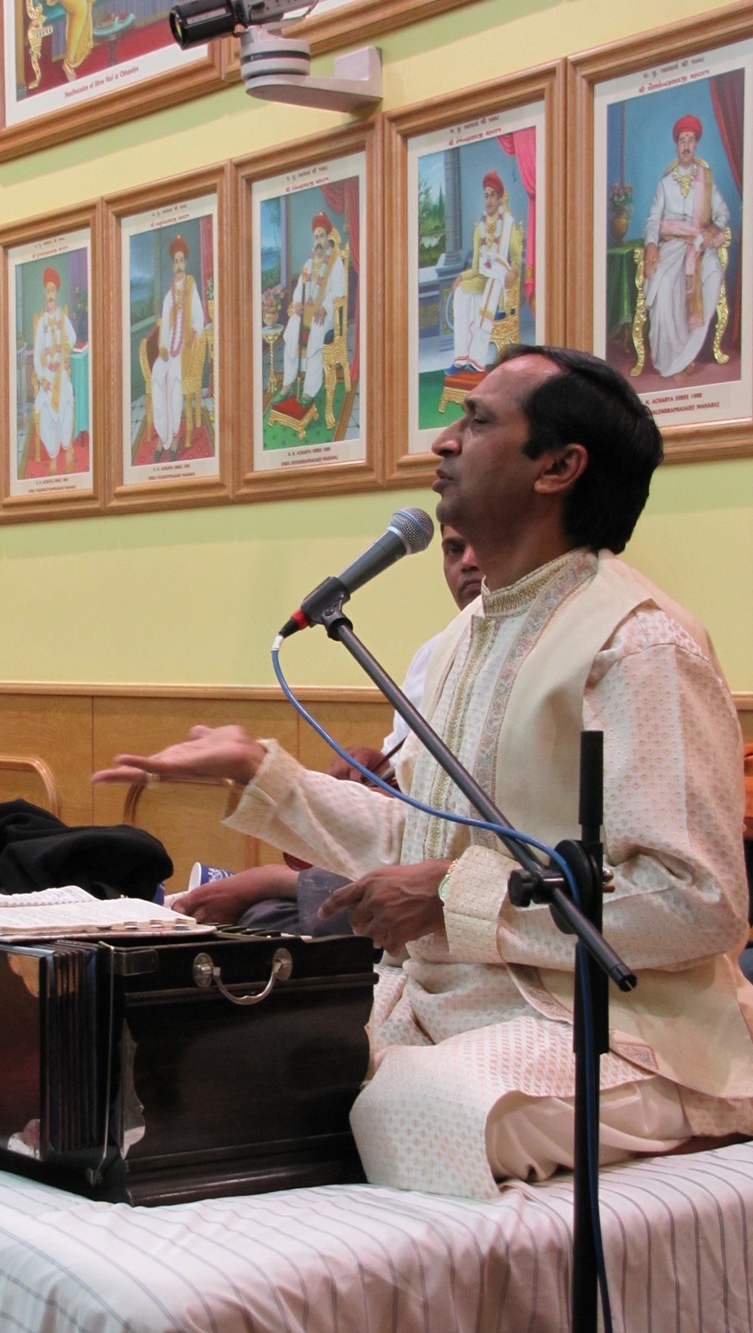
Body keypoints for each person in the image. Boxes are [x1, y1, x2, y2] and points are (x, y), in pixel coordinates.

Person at [94, 345, 752, 1200]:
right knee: (236, 1062)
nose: (444, 441)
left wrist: (449, 897)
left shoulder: (637, 644)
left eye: (477, 421)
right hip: (443, 1005)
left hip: (624, 1033)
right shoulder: (456, 643)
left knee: (417, 1107)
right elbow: (418, 842)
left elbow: (698, 901)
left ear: (558, 467)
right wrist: (263, 775)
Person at [172, 526, 484, 930]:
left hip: (454, 900)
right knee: (253, 920)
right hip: (396, 863)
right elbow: (408, 792)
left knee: (271, 920)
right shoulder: (435, 653)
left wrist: (272, 879)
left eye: (484, 540)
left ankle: (274, 884)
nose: (468, 562)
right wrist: (376, 763)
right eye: (454, 549)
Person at [642, 115, 729, 383]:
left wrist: (710, 231)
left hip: (699, 247)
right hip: (672, 247)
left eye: (691, 140)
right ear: (676, 146)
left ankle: (687, 354)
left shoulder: (707, 181)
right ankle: (671, 362)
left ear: (696, 144)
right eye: (682, 140)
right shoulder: (665, 184)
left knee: (712, 276)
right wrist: (652, 245)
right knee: (663, 284)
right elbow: (653, 219)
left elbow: (723, 214)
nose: (687, 145)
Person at [450, 171, 521, 374]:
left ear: (500, 200)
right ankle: (461, 357)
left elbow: (516, 259)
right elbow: (475, 268)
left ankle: (477, 360)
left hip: (498, 282)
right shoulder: (480, 229)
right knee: (462, 292)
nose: (488, 200)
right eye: (486, 195)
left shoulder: (508, 225)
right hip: (481, 278)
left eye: (493, 195)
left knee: (484, 298)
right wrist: (461, 277)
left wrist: (513, 272)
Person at [280, 212, 347, 404]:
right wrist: (297, 303)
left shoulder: (335, 262)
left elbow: (339, 290)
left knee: (316, 331)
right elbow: (299, 289)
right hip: (307, 311)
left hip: (326, 315)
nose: (318, 241)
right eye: (316, 237)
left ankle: (309, 390)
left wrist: (325, 307)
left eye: (322, 236)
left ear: (327, 238)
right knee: (292, 327)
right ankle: (288, 382)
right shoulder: (308, 264)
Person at [149, 235, 204, 463]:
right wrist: (162, 348)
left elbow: (199, 318)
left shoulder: (191, 288)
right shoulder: (168, 297)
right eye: (176, 261)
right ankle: (162, 435)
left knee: (173, 380)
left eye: (182, 260)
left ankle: (174, 437)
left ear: (185, 263)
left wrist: (191, 332)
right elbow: (164, 329)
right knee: (157, 376)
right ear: (173, 266)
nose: (179, 265)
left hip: (185, 349)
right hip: (169, 349)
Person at [33, 267, 77, 474]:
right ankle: (53, 455)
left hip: (62, 374)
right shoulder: (41, 322)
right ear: (45, 294)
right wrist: (42, 378)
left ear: (56, 293)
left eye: (53, 290)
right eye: (47, 291)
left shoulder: (62, 317)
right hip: (48, 377)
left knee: (66, 406)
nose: (50, 294)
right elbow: (36, 356)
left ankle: (67, 448)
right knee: (47, 415)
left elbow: (73, 337)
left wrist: (66, 350)